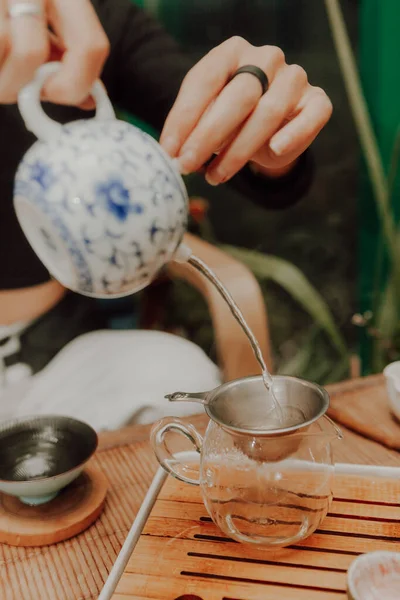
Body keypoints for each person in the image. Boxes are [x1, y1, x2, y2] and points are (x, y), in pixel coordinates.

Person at [0, 0, 332, 428]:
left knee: (181, 381)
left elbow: (261, 167)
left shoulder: (79, 26)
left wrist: (264, 108)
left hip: (53, 353)